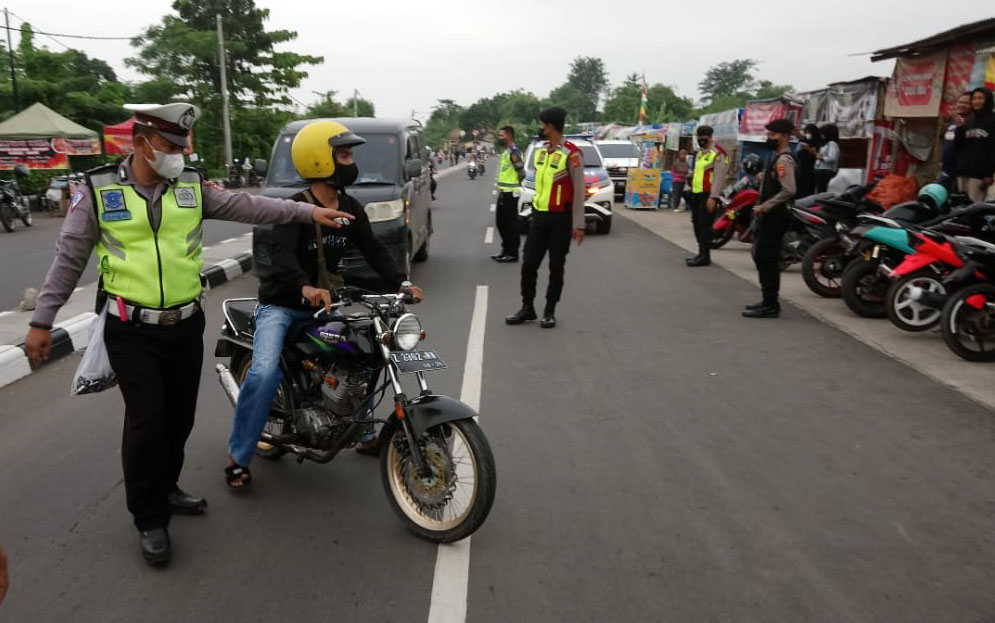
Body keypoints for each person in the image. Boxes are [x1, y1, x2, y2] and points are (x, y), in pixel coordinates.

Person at [23, 103, 353, 566]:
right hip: (130, 328)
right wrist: (42, 320)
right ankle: (149, 517)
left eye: (182, 146)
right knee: (146, 419)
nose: (178, 153)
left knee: (179, 418)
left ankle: (167, 485)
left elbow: (250, 205)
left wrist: (304, 213)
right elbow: (69, 258)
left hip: (185, 324)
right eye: (170, 145)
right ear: (141, 143)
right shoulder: (97, 190)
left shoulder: (192, 186)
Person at [226, 120, 423, 488]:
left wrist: (402, 283)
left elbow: (375, 252)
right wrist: (305, 288)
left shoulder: (350, 207)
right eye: (344, 155)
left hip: (323, 308)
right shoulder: (293, 209)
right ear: (320, 161)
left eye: (349, 155)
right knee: (265, 372)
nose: (351, 162)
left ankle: (363, 433)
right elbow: (281, 260)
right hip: (281, 306)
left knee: (363, 353)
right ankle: (238, 456)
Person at [506, 107, 585, 329]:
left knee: (556, 266)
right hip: (539, 217)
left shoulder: (572, 154)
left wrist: (579, 225)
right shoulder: (540, 152)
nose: (540, 128)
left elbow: (579, 191)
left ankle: (549, 311)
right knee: (529, 264)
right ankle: (527, 308)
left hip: (561, 219)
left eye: (542, 125)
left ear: (550, 127)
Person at [744, 118, 797, 319]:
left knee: (767, 259)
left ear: (784, 136)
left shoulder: (784, 160)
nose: (769, 138)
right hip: (768, 216)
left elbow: (789, 190)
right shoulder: (776, 158)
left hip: (775, 217)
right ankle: (767, 300)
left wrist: (765, 207)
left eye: (772, 135)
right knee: (762, 258)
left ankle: (770, 305)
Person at [686, 125, 728, 267]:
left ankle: (705, 256)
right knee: (697, 223)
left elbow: (719, 177)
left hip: (708, 195)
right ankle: (701, 252)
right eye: (698, 137)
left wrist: (713, 197)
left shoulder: (718, 153)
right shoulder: (700, 153)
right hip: (697, 193)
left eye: (703, 137)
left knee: (704, 225)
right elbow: (697, 172)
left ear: (710, 136)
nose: (700, 139)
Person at [491, 125, 526, 262]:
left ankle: (512, 252)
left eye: (502, 135)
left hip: (511, 193)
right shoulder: (506, 152)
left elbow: (522, 173)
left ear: (509, 136)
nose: (500, 138)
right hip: (504, 192)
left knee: (510, 224)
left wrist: (515, 185)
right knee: (501, 223)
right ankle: (505, 249)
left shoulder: (513, 152)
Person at [955, 87, 995, 203]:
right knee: (960, 207)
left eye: (980, 98)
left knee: (973, 209)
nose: (976, 101)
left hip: (979, 174)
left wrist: (989, 174)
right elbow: (958, 146)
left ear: (987, 100)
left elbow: (993, 149)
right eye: (974, 98)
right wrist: (959, 129)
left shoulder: (992, 120)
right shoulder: (968, 121)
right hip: (963, 171)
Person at [795, 124, 822, 198]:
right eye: (806, 132)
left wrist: (809, 149)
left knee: (808, 184)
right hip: (801, 165)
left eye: (809, 132)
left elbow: (817, 154)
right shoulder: (804, 140)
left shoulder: (818, 142)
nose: (807, 135)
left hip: (810, 166)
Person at [814, 123, 840, 193]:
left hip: (826, 171)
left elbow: (832, 157)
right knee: (819, 189)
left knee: (821, 190)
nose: (821, 135)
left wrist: (821, 158)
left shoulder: (832, 144)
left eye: (823, 133)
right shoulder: (825, 144)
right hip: (820, 169)